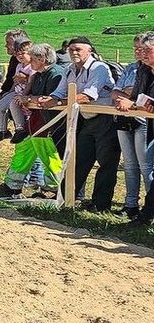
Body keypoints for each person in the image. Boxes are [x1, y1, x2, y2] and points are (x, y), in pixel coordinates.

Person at [28, 36, 119, 212]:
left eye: (78, 49)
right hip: (85, 118)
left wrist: (57, 101)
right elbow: (60, 91)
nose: (74, 52)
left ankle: (101, 205)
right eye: (71, 49)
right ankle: (65, 199)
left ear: (89, 51)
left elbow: (87, 96)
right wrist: (52, 98)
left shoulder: (99, 68)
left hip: (105, 119)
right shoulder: (70, 69)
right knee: (78, 160)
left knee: (106, 163)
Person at [111, 32, 154, 219]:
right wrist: (132, 102)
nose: (142, 54)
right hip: (141, 120)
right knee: (131, 164)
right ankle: (138, 208)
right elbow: (137, 96)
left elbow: (137, 100)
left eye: (147, 50)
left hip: (145, 122)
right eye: (140, 49)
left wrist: (133, 103)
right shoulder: (143, 71)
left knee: (147, 166)